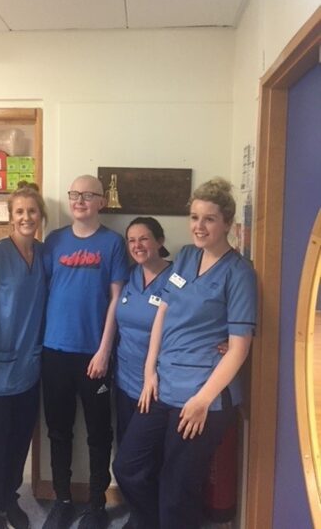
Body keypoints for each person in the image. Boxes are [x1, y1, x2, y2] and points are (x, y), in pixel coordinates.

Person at [113, 177, 257, 529]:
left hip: (203, 396)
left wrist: (202, 400)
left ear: (227, 223)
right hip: (164, 385)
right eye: (194, 217)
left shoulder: (239, 274)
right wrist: (150, 372)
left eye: (208, 218)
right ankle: (149, 522)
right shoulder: (187, 256)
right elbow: (163, 310)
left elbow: (238, 348)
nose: (199, 226)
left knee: (179, 489)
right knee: (128, 467)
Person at [42, 174, 129, 529]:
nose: (79, 200)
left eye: (88, 195)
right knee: (58, 430)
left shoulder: (113, 243)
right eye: (74, 194)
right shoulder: (53, 241)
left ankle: (96, 505)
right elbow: (43, 290)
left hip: (94, 354)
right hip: (54, 351)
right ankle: (62, 500)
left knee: (98, 433)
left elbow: (116, 300)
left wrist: (104, 349)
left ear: (100, 202)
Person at [0, 182, 48, 529]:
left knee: (19, 441)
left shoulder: (45, 254)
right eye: (19, 211)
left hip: (29, 367)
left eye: (32, 211)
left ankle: (9, 497)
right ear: (10, 217)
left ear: (41, 215)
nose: (26, 217)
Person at [115, 216, 172, 444]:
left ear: (159, 241)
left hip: (156, 385)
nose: (137, 246)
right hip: (123, 381)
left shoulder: (177, 279)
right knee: (125, 446)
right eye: (131, 241)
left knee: (146, 457)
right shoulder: (129, 275)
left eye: (143, 239)